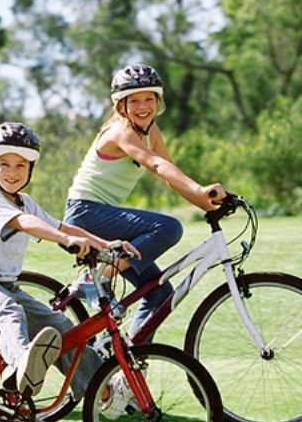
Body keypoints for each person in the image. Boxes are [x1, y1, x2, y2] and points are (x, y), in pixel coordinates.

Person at [0, 122, 139, 414]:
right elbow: (25, 223)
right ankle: (19, 370)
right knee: (8, 313)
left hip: (7, 286)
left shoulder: (25, 202)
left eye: (21, 166)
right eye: (5, 165)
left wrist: (106, 244)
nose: (12, 172)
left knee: (61, 327)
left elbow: (61, 225)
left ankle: (102, 392)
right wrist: (65, 240)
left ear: (30, 171)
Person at [63, 64, 225, 341]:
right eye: (134, 100)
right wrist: (200, 189)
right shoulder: (119, 132)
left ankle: (127, 370)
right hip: (85, 213)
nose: (143, 106)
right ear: (121, 106)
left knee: (159, 293)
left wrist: (206, 203)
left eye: (149, 98)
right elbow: (156, 165)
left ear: (158, 102)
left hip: (103, 215)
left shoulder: (150, 131)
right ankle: (94, 280)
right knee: (169, 228)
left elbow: (170, 174)